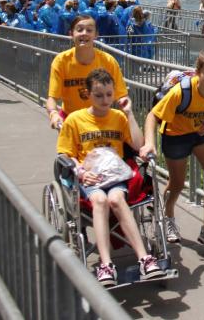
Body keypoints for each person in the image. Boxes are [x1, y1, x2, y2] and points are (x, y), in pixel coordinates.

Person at [56, 68, 165, 287]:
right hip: (90, 177)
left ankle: (144, 258)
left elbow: (137, 144)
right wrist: (80, 171)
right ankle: (106, 264)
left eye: (108, 94)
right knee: (99, 200)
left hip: (115, 175)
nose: (105, 100)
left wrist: (130, 114)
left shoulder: (117, 118)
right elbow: (64, 154)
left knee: (116, 199)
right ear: (87, 94)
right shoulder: (75, 120)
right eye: (99, 95)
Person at [140, 50, 204, 253]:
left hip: (202, 133)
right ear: (197, 73)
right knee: (177, 183)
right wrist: (149, 143)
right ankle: (168, 216)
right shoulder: (180, 92)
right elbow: (152, 116)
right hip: (176, 135)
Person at [46, 14, 136, 131]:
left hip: (100, 121)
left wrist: (126, 105)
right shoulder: (61, 61)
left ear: (96, 35)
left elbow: (121, 94)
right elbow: (52, 97)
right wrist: (53, 113)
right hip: (71, 120)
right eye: (79, 30)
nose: (84, 33)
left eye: (89, 30)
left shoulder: (108, 61)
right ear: (71, 34)